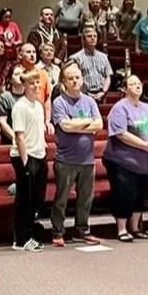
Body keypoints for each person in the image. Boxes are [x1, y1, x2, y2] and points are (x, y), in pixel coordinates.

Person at [104, 75, 148, 243]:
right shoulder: (119, 108)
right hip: (124, 162)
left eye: (139, 83)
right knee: (124, 194)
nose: (137, 86)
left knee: (141, 194)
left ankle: (135, 227)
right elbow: (121, 134)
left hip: (147, 162)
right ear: (125, 89)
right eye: (133, 84)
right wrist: (144, 145)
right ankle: (122, 228)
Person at [50, 63, 103, 247]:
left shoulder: (90, 101)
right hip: (66, 160)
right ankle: (57, 232)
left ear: (82, 79)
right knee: (61, 199)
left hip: (87, 160)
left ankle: (82, 230)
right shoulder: (59, 102)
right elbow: (65, 126)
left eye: (77, 77)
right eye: (70, 78)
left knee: (86, 198)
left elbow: (99, 125)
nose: (74, 81)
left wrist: (77, 124)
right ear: (64, 82)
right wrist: (87, 122)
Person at [10, 70, 47, 252]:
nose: (36, 86)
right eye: (32, 83)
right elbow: (20, 136)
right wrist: (25, 162)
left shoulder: (38, 105)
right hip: (25, 156)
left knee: (37, 199)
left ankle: (31, 233)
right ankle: (20, 239)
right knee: (25, 200)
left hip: (39, 155)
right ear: (24, 86)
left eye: (37, 82)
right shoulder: (20, 107)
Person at [68, 28, 112, 101]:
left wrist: (103, 92)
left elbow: (108, 77)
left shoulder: (104, 57)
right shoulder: (75, 58)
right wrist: (85, 93)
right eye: (89, 36)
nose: (92, 38)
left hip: (102, 95)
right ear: (83, 40)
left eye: (95, 36)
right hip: (82, 96)